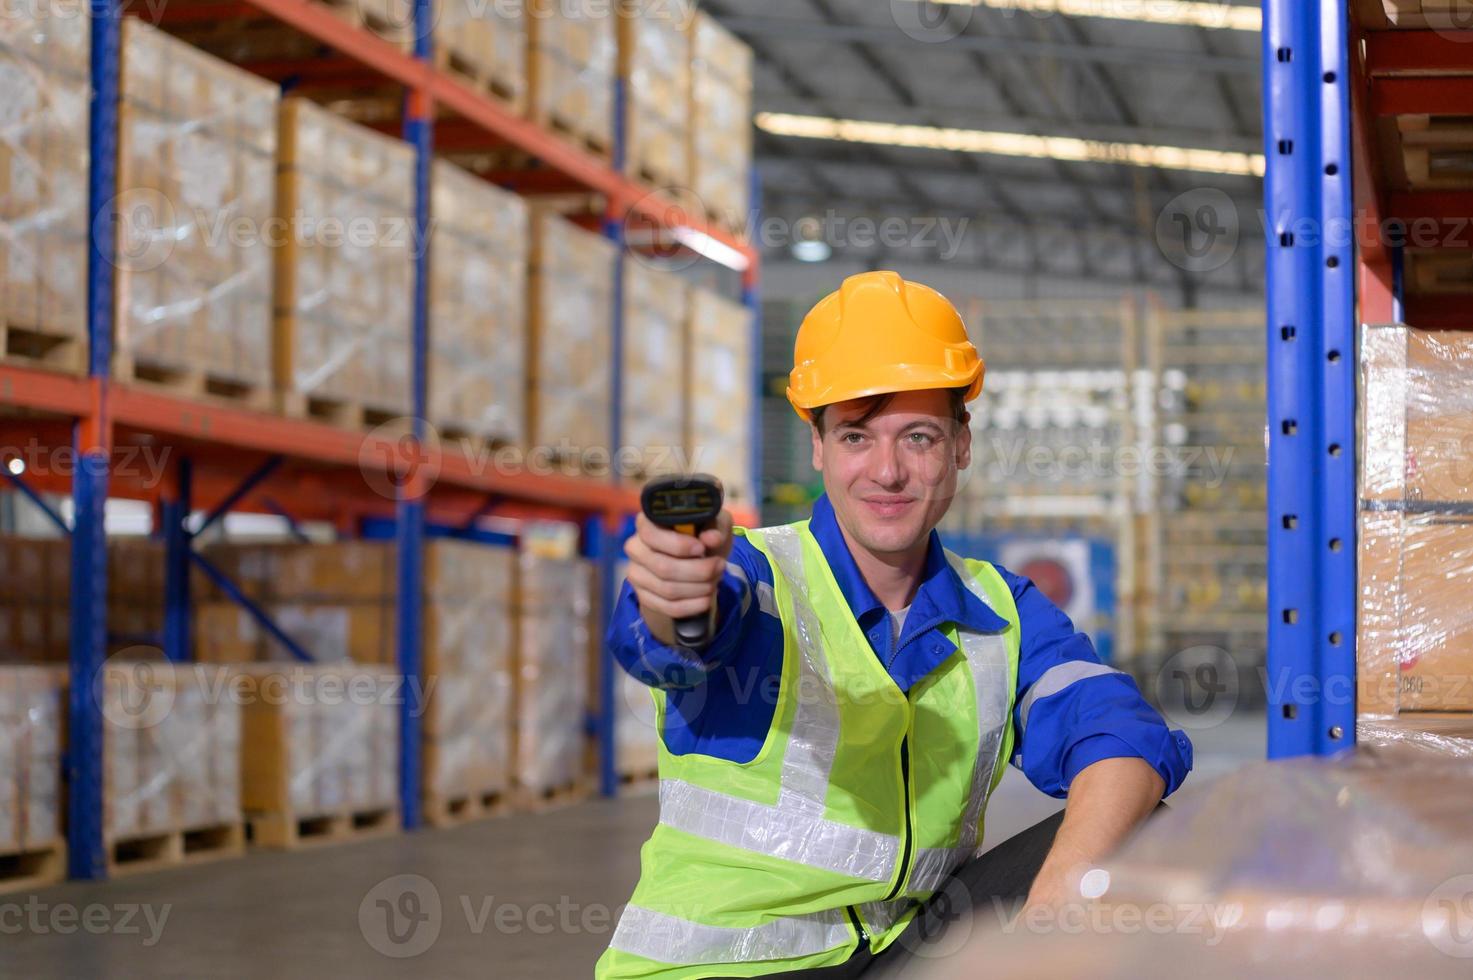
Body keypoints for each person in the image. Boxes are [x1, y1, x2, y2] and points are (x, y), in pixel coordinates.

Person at [595, 272, 1192, 979]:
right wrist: (672, 597)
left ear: (960, 446)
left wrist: (1060, 904)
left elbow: (1119, 732)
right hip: (720, 965)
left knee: (1131, 829)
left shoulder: (1000, 607)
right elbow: (667, 641)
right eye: (855, 436)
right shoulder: (753, 577)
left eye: (917, 437)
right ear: (816, 446)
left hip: (897, 950)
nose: (887, 471)